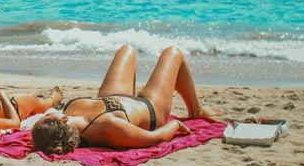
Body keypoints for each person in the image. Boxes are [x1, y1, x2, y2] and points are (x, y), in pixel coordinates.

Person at [31, 45, 213, 155]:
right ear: (61, 120)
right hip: (149, 109)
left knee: (127, 50)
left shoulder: (71, 108)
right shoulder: (108, 127)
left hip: (113, 99)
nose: (50, 112)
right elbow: (154, 139)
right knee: (173, 53)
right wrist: (176, 125)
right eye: (47, 116)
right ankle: (195, 110)